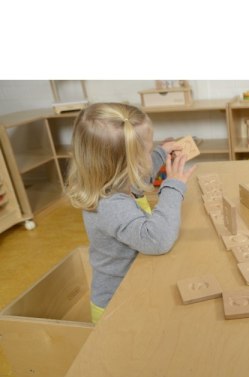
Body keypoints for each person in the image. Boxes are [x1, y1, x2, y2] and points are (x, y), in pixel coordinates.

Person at [66, 102, 196, 323]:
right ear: (130, 165)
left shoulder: (116, 180)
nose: (151, 155)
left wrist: (161, 153)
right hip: (116, 307)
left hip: (135, 285)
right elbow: (158, 240)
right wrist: (173, 187)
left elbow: (142, 174)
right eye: (148, 151)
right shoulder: (110, 206)